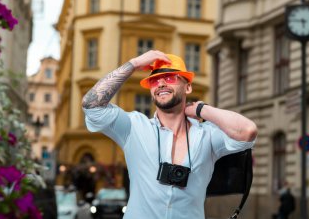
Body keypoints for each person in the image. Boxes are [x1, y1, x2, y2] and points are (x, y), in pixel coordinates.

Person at [82, 50, 257, 219]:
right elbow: (91, 104)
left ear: (188, 87)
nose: (161, 84)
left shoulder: (207, 135)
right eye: (154, 80)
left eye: (170, 77)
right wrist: (134, 64)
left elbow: (247, 131)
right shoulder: (134, 127)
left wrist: (201, 109)